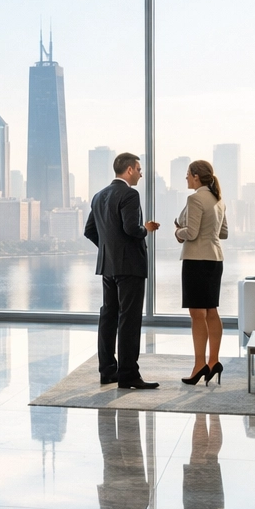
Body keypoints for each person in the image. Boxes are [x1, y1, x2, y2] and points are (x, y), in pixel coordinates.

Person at [84, 152, 159, 389]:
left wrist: (110, 249)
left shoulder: (99, 196)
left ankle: (107, 371)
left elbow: (90, 230)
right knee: (129, 319)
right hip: (130, 267)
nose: (140, 173)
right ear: (128, 170)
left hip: (108, 266)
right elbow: (130, 228)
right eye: (138, 169)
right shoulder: (129, 194)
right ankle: (128, 374)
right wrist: (145, 229)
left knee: (108, 316)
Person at [174, 159, 229, 385]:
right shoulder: (218, 200)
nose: (186, 178)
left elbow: (192, 233)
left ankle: (199, 365)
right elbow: (223, 233)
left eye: (188, 174)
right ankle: (213, 361)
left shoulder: (195, 198)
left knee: (197, 314)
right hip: (215, 260)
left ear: (196, 176)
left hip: (196, 261)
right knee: (211, 311)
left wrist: (178, 232)